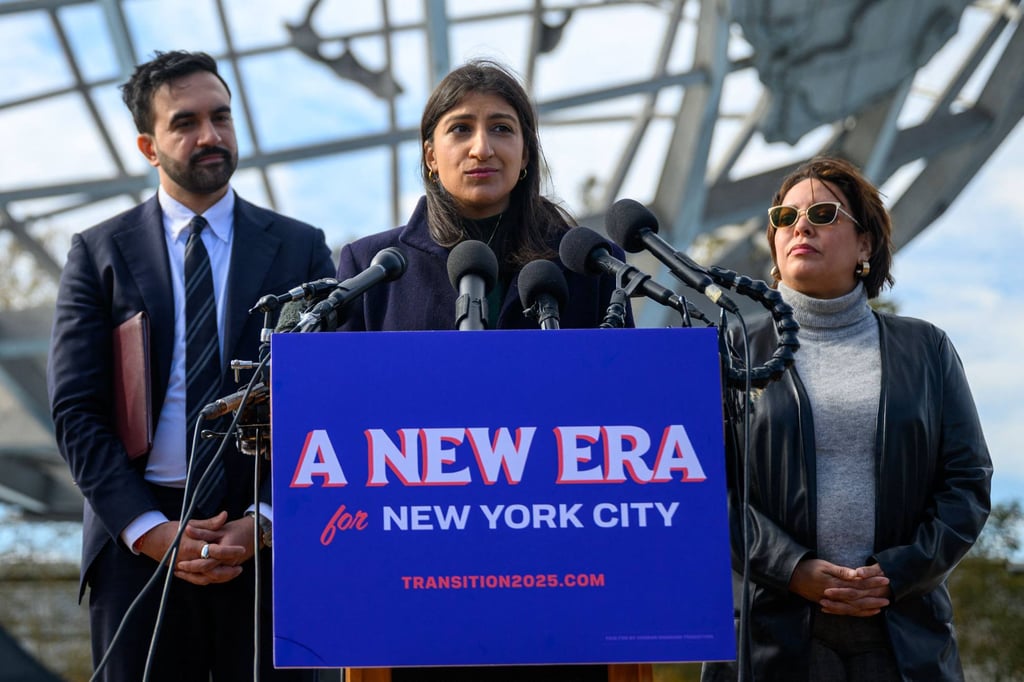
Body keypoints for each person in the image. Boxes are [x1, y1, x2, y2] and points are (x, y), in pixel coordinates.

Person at [334, 59, 630, 681]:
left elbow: (621, 426)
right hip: (414, 588)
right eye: (460, 129)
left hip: (563, 583)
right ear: (429, 153)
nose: (481, 147)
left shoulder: (586, 266)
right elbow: (340, 432)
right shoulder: (371, 267)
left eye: (502, 129)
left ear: (526, 153)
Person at [47, 50, 335, 681]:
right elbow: (75, 409)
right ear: (149, 147)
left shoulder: (302, 249)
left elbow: (327, 403)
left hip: (265, 550)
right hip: (137, 552)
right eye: (185, 123)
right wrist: (152, 532)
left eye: (222, 117)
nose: (210, 136)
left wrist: (262, 521)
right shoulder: (98, 253)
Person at [706, 156, 992, 681]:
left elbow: (967, 482)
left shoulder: (925, 348)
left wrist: (897, 573)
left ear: (865, 245)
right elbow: (708, 490)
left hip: (903, 634)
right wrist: (793, 568)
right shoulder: (731, 350)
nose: (801, 226)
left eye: (822, 213)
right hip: (773, 636)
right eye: (784, 217)